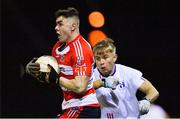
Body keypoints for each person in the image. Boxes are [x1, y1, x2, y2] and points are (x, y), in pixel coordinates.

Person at [26, 7, 100, 118]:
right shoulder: (57, 48)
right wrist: (33, 69)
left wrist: (56, 78)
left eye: (60, 24)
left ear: (73, 26)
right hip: (70, 106)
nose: (56, 28)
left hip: (85, 107)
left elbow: (80, 87)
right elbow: (51, 76)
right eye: (56, 24)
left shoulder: (81, 49)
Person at [93, 38, 159, 118]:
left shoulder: (127, 73)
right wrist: (102, 83)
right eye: (98, 58)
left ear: (114, 58)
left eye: (105, 57)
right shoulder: (91, 76)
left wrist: (146, 101)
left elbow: (153, 91)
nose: (101, 62)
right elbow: (80, 90)